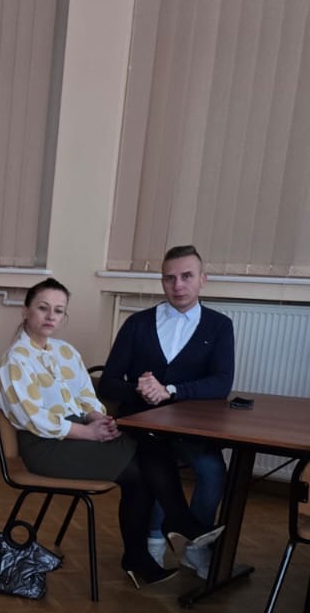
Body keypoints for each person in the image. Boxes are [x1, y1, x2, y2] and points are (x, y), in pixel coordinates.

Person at [0, 279, 221, 588]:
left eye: (58, 310)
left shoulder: (64, 351)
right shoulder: (15, 361)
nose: (50, 316)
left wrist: (100, 418)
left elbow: (86, 395)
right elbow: (35, 418)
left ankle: (147, 549)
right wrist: (88, 433)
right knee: (142, 462)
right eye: (43, 308)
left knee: (147, 455)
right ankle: (173, 525)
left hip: (77, 433)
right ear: (25, 311)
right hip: (45, 446)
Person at [98, 244, 234, 577]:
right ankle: (155, 540)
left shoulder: (219, 326)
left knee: (213, 471)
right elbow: (108, 382)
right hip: (140, 424)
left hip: (191, 427)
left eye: (186, 276)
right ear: (162, 281)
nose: (178, 285)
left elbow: (221, 383)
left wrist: (170, 390)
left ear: (202, 279)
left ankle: (195, 548)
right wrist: (141, 390)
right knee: (155, 460)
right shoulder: (137, 323)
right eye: (169, 278)